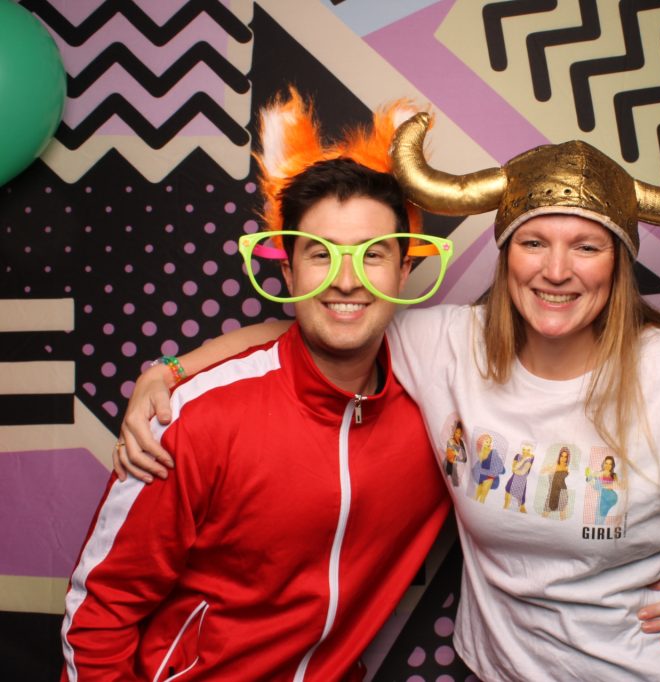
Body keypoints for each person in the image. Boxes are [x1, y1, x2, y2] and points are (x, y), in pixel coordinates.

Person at [117, 110, 660, 680]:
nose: (557, 270)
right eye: (534, 241)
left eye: (586, 246)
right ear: (506, 251)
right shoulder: (444, 345)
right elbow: (325, 321)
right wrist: (169, 372)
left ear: (617, 265)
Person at [60, 92, 453, 681]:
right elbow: (99, 612)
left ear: (405, 268)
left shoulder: (444, 405)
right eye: (321, 255)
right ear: (288, 269)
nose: (347, 280)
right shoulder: (194, 418)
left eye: (373, 256)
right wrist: (168, 371)